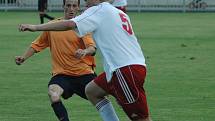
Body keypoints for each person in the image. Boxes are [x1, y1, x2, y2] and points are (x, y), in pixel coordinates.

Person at [19, 0, 152, 121]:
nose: (85, 2)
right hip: (125, 68)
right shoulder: (117, 12)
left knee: (141, 118)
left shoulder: (98, 10)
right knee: (92, 91)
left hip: (124, 70)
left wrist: (35, 27)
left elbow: (70, 24)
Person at [16, 0, 98, 121]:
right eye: (68, 5)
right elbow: (37, 45)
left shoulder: (82, 25)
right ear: (63, 6)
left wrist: (85, 51)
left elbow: (92, 48)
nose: (71, 9)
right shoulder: (53, 26)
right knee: (53, 94)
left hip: (84, 73)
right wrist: (23, 57)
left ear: (78, 8)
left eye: (74, 6)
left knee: (103, 100)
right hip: (62, 75)